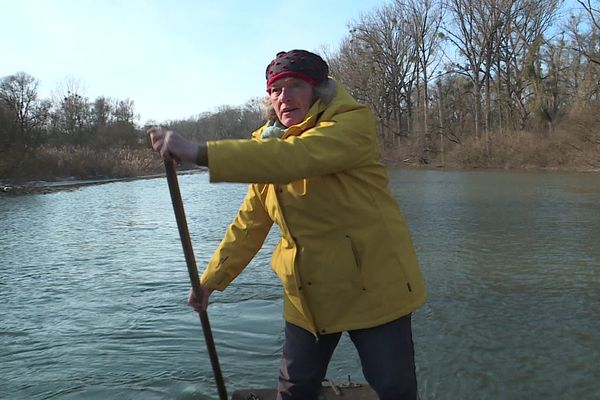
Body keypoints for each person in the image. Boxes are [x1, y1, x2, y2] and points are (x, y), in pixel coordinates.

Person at [149, 49, 426, 400]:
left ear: (318, 91)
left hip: (374, 287)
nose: (285, 96)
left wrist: (201, 152)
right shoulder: (267, 144)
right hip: (306, 294)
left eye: (296, 85)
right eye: (276, 90)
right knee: (294, 389)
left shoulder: (351, 124)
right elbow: (250, 223)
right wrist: (211, 281)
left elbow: (294, 159)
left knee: (394, 389)